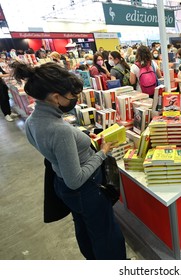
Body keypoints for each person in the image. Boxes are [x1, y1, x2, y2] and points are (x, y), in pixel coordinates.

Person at [10, 61, 126, 259]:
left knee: (84, 230)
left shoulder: (32, 121)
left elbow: (51, 154)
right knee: (106, 235)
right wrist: (102, 152)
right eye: (72, 97)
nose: (75, 100)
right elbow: (75, 179)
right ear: (56, 98)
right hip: (86, 189)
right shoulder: (60, 130)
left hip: (63, 185)